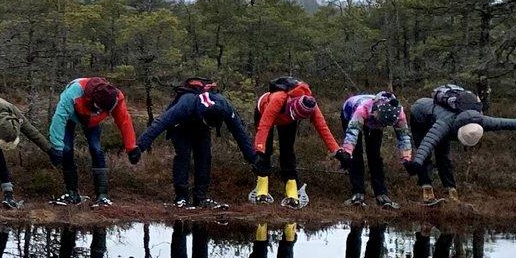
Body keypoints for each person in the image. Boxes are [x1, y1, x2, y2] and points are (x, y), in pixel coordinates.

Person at [129, 79, 258, 210]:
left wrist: (253, 159)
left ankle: (200, 198)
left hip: (201, 129)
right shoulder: (186, 104)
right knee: (183, 156)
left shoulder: (225, 107)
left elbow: (240, 133)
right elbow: (160, 123)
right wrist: (139, 147)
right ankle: (181, 197)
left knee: (204, 158)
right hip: (181, 126)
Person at [405, 84, 516, 205]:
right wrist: (416, 163)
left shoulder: (480, 121)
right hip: (420, 117)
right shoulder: (444, 123)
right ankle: (426, 189)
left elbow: (504, 123)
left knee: (444, 158)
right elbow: (427, 144)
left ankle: (451, 191)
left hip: (439, 120)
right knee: (427, 155)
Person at [45, 77, 137, 207]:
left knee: (96, 149)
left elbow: (124, 121)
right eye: (99, 108)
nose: (101, 111)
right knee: (66, 149)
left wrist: (131, 147)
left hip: (92, 122)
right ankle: (72, 194)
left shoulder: (115, 97)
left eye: (104, 111)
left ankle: (102, 196)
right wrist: (57, 148)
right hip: (71, 115)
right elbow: (59, 119)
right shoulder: (73, 93)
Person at [250, 76, 338, 207]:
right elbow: (264, 126)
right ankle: (261, 189)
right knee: (265, 151)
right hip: (264, 112)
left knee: (287, 151)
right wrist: (259, 147)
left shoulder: (311, 105)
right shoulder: (278, 98)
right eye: (294, 114)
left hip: (287, 120)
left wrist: (336, 150)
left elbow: (323, 128)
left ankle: (291, 190)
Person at [333, 91, 413, 209]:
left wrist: (406, 159)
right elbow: (352, 133)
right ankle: (357, 193)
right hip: (351, 113)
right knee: (356, 154)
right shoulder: (362, 110)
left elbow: (404, 136)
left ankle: (381, 194)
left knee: (375, 155)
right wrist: (346, 152)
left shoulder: (399, 113)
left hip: (375, 119)